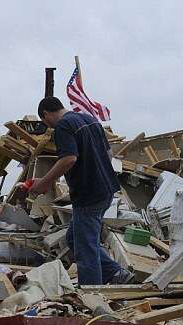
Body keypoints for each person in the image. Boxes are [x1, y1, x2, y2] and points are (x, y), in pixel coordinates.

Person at [30, 96, 133, 285]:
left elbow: (69, 159)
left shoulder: (63, 126)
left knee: (85, 248)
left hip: (88, 194)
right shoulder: (90, 119)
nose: (49, 128)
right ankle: (116, 273)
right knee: (75, 239)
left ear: (45, 114)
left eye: (46, 123)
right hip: (106, 189)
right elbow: (109, 155)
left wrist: (44, 183)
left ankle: (92, 293)